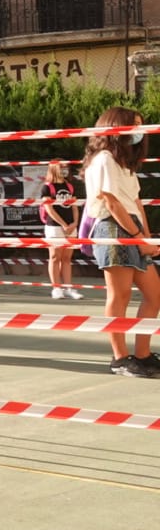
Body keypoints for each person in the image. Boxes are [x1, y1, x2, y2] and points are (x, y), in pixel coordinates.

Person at [81, 107, 160, 377]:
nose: (138, 131)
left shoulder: (124, 164)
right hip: (114, 229)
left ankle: (143, 354)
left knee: (154, 294)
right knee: (120, 295)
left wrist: (146, 238)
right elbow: (111, 202)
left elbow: (136, 203)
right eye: (132, 125)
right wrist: (140, 238)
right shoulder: (103, 159)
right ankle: (120, 358)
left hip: (132, 228)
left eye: (140, 126)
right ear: (115, 126)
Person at [41, 160, 83, 301]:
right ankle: (56, 288)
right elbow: (49, 209)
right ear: (54, 169)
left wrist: (75, 223)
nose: (65, 170)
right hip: (54, 227)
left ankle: (69, 288)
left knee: (66, 258)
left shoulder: (70, 186)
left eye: (66, 167)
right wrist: (63, 224)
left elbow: (74, 207)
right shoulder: (47, 187)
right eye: (62, 167)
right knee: (55, 257)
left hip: (71, 226)